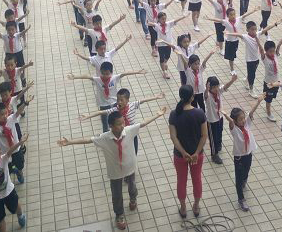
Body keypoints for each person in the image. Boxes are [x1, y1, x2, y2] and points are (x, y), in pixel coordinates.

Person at [58, 107, 167, 230]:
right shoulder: (104, 138)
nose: (122, 126)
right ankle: (119, 215)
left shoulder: (129, 130)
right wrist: (70, 142)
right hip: (114, 172)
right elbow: (88, 140)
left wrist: (157, 115)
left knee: (132, 186)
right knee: (116, 195)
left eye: (123, 123)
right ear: (110, 125)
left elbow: (143, 123)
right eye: (119, 124)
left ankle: (133, 199)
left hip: (130, 168)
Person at [168, 85, 207, 219]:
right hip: (197, 155)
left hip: (180, 156)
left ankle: (183, 208)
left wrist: (183, 152)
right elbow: (204, 135)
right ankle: (196, 206)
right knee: (197, 179)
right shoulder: (200, 113)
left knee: (181, 180)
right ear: (192, 97)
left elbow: (173, 137)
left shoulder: (174, 114)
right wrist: (196, 152)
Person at [221, 95, 265, 211]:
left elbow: (251, 112)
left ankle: (243, 180)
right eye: (240, 119)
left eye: (243, 118)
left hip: (248, 154)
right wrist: (226, 115)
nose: (243, 120)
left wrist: (258, 102)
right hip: (239, 157)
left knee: (246, 171)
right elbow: (231, 122)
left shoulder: (246, 124)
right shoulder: (234, 129)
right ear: (235, 121)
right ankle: (241, 199)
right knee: (238, 178)